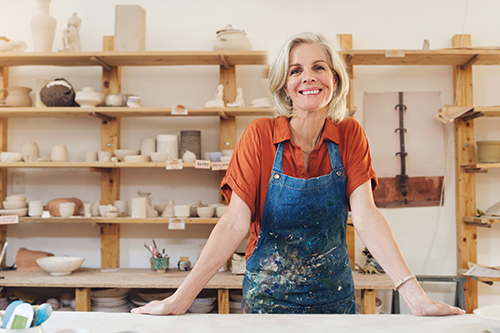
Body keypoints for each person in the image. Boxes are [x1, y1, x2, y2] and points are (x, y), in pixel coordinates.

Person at [131, 32, 465, 316]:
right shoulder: (260, 136)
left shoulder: (350, 134)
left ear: (334, 80)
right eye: (296, 70)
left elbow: (366, 216)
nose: (308, 77)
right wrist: (179, 300)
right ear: (285, 86)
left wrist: (414, 297)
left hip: (334, 300)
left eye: (319, 67)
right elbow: (234, 222)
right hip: (267, 302)